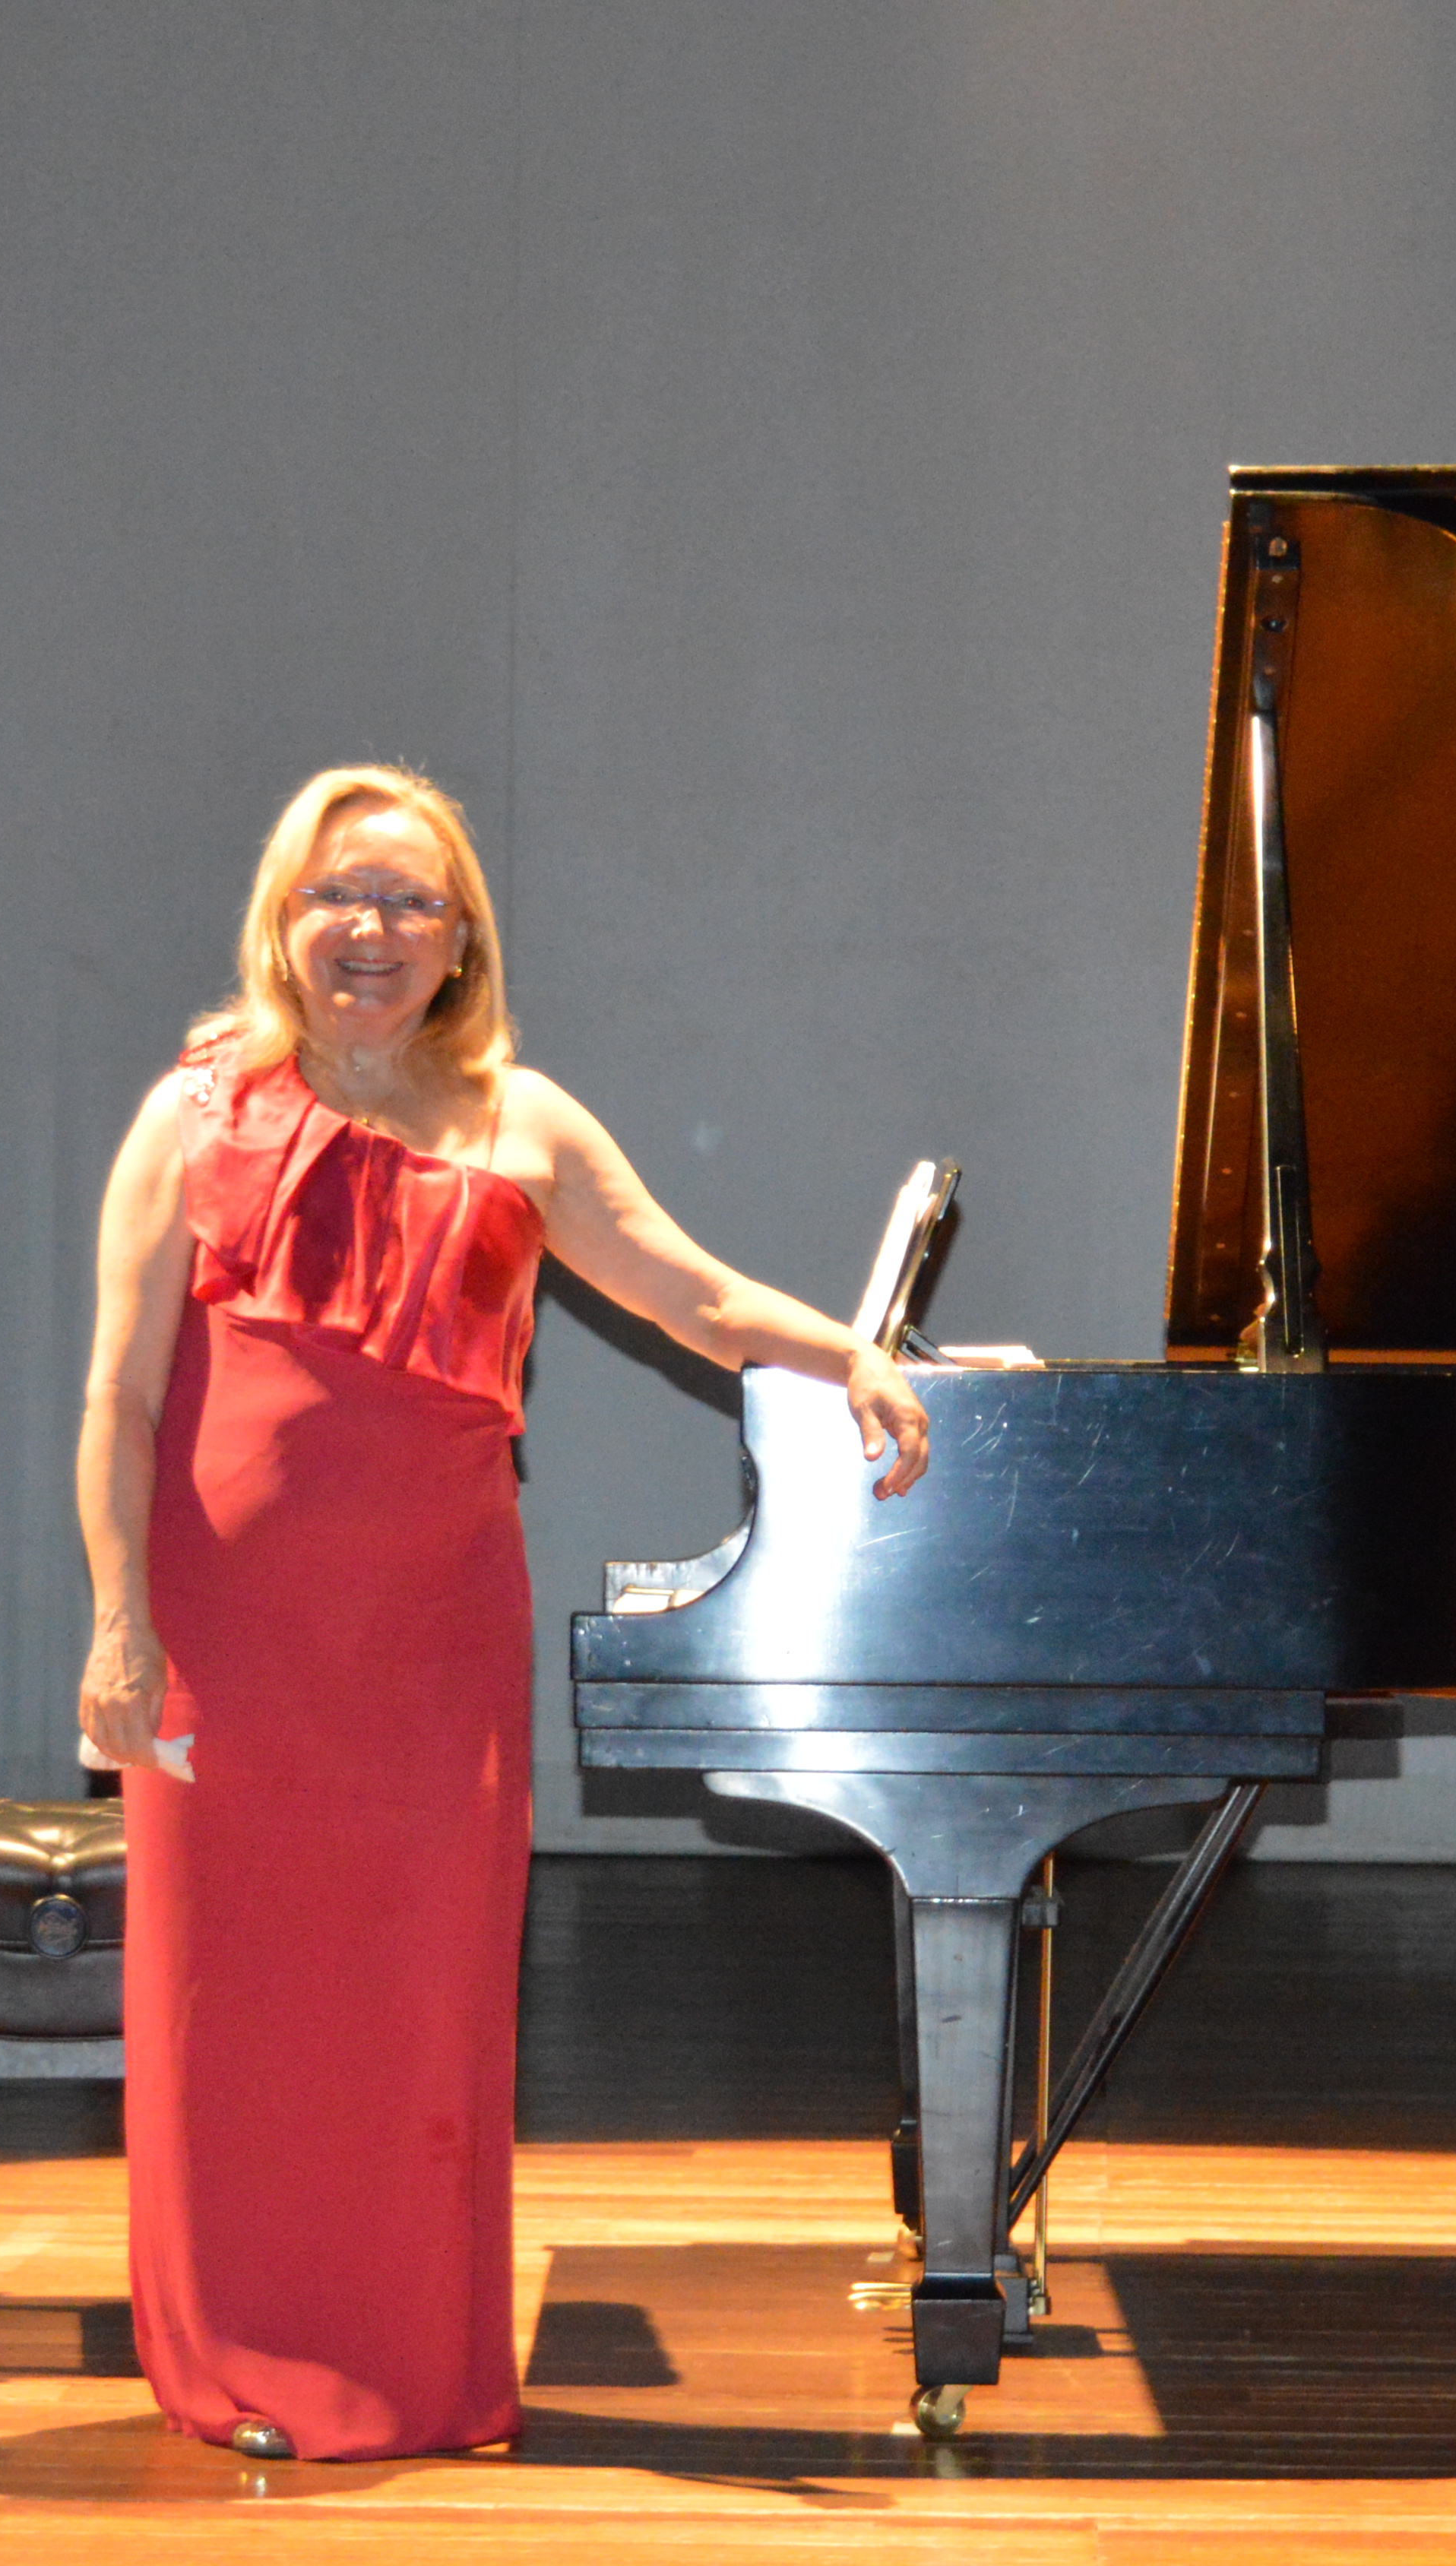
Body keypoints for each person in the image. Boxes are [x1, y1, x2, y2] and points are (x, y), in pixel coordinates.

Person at [71, 764, 930, 2462]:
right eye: (336, 897)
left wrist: (848, 1352)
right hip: (227, 1639)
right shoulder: (191, 1116)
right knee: (230, 2006)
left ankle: (412, 2363)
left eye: (406, 900)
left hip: (431, 1645)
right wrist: (117, 1622)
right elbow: (117, 1395)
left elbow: (688, 1291)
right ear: (283, 922)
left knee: (418, 1997)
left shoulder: (524, 1124)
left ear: (461, 934)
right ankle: (235, 2358)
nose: (368, 931)